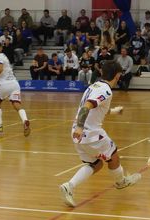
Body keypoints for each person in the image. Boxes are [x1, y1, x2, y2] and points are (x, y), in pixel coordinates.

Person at [59, 60, 141, 207]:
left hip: (77, 135)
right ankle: (121, 182)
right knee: (114, 157)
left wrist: (114, 111)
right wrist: (80, 127)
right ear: (117, 76)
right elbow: (86, 107)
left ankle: (68, 186)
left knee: (95, 164)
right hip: (90, 134)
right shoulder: (106, 90)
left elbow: (97, 108)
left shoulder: (94, 86)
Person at [0, 41, 31, 137]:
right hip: (14, 84)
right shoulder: (4, 56)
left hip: (4, 84)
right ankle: (25, 120)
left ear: (0, 48)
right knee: (16, 104)